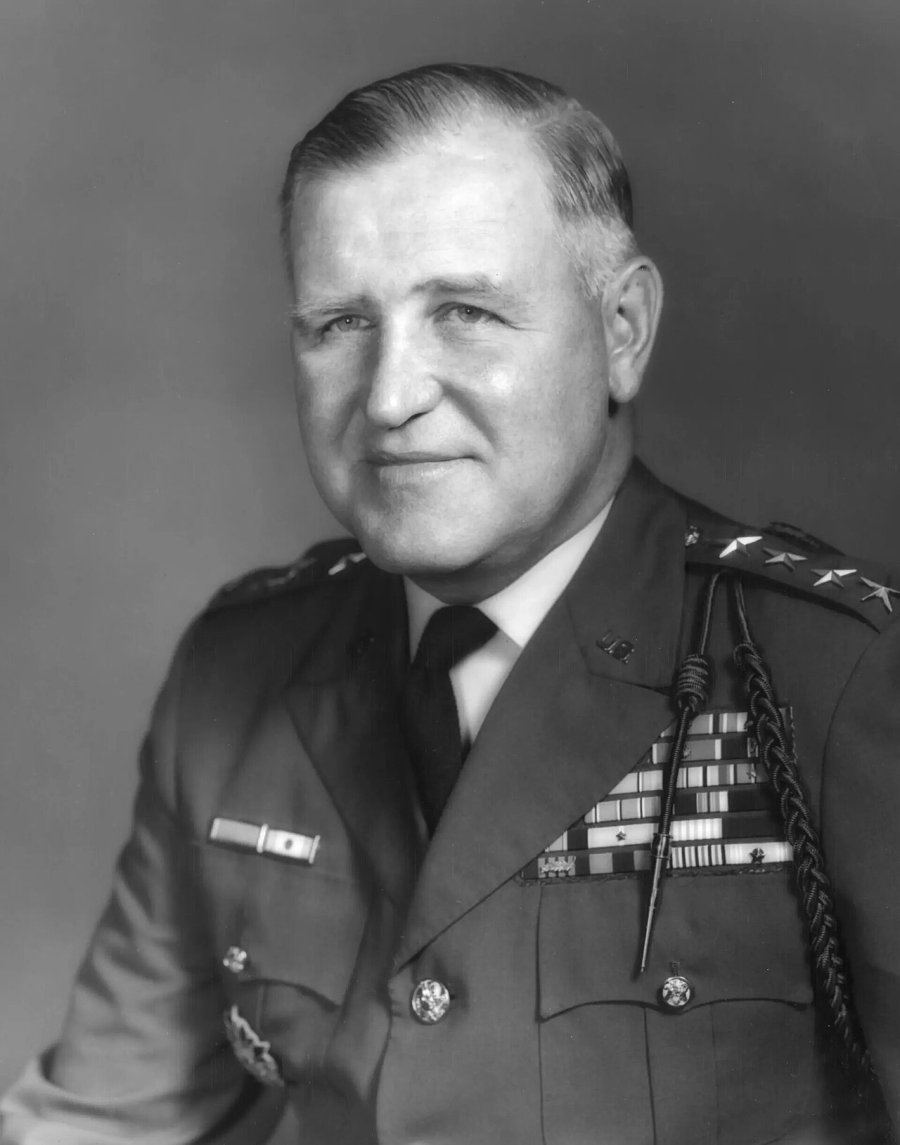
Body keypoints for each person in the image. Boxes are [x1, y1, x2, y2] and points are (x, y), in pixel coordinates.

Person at [2, 62, 898, 1145]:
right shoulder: (238, 673)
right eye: (340, 324)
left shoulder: (839, 677)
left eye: (465, 312)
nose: (389, 397)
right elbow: (106, 1117)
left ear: (622, 329)